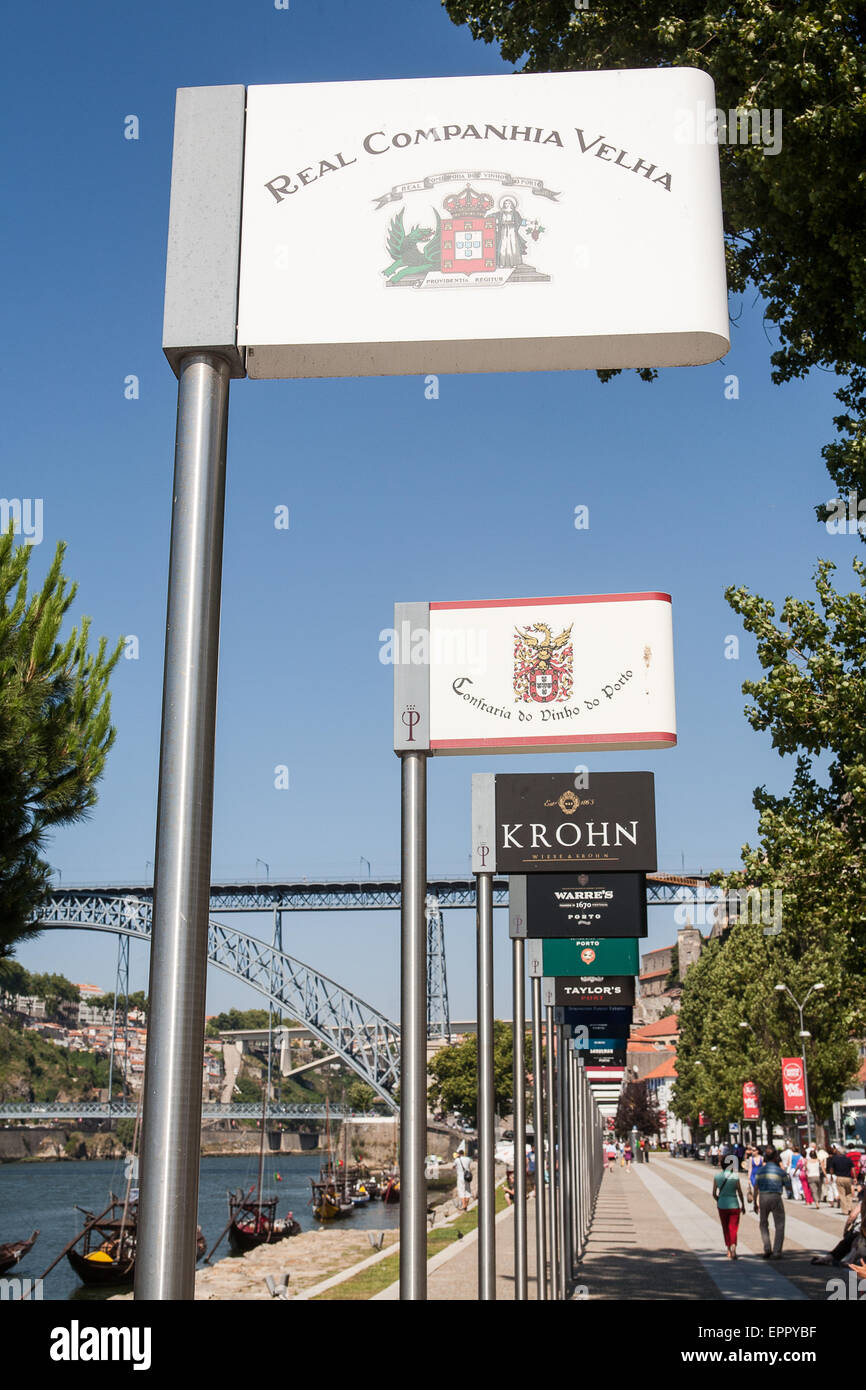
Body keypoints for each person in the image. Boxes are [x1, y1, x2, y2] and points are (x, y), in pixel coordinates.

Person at [754, 1146, 793, 1258]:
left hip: (763, 1196)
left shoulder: (760, 1171)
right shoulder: (780, 1171)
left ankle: (767, 1248)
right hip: (776, 1196)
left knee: (763, 1223)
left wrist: (755, 1203)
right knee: (779, 1225)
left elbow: (756, 1187)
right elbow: (789, 1187)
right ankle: (777, 1251)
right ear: (776, 1157)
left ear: (765, 1157)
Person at [714, 1159, 746, 1258]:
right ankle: (733, 1247)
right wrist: (743, 1205)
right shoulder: (735, 1177)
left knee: (725, 1227)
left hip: (722, 1205)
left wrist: (718, 1200)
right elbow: (740, 1192)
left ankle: (728, 1249)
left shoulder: (717, 1177)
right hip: (734, 1204)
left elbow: (714, 1193)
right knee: (733, 1227)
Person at [827, 1145, 855, 1215]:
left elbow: (831, 1169)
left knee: (842, 1194)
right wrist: (854, 1177)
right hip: (848, 1178)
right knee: (848, 1194)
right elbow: (853, 1169)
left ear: (839, 1152)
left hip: (839, 1177)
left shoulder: (835, 1159)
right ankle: (850, 1208)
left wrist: (831, 1175)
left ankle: (845, 1210)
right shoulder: (849, 1159)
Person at [454, 1147, 473, 1212]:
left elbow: (454, 1166)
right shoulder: (468, 1159)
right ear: (464, 1153)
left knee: (461, 1191)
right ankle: (466, 1206)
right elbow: (469, 1166)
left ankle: (464, 1206)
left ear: (459, 1154)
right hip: (467, 1177)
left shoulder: (457, 1160)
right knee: (468, 1191)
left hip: (460, 1177)